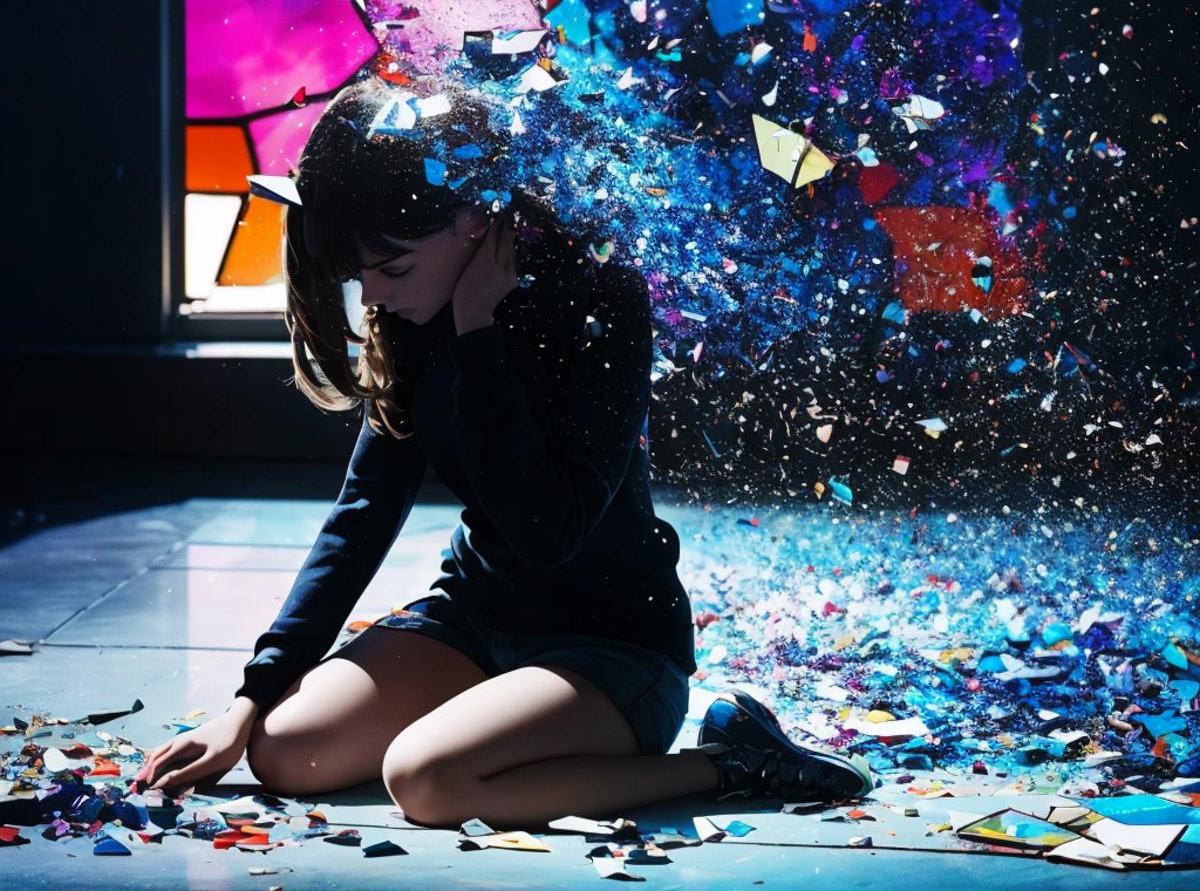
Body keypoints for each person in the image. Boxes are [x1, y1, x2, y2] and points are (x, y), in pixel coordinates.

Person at [133, 72, 871, 827]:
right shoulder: (417, 320)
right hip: (479, 619)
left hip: (613, 647)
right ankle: (487, 724)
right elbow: (361, 517)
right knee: (287, 749)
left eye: (390, 269)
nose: (375, 298)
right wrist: (248, 700)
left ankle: (725, 763)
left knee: (428, 782)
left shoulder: (602, 300)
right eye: (361, 276)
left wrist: (478, 336)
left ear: (479, 220)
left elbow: (549, 531)